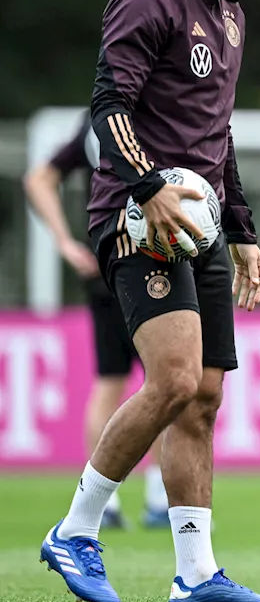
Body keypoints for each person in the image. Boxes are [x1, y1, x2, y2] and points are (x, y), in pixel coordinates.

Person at [38, 0, 260, 602]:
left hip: (202, 226)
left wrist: (245, 232)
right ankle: (75, 529)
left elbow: (219, 136)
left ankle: (195, 573)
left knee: (205, 397)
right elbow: (109, 105)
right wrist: (146, 185)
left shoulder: (230, 18)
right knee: (173, 380)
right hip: (136, 220)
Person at [24, 113, 170, 529]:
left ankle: (105, 503)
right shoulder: (140, 116)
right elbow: (38, 179)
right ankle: (158, 497)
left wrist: (68, 244)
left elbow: (39, 179)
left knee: (116, 380)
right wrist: (64, 244)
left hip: (106, 259)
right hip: (143, 261)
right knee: (164, 378)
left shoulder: (95, 120)